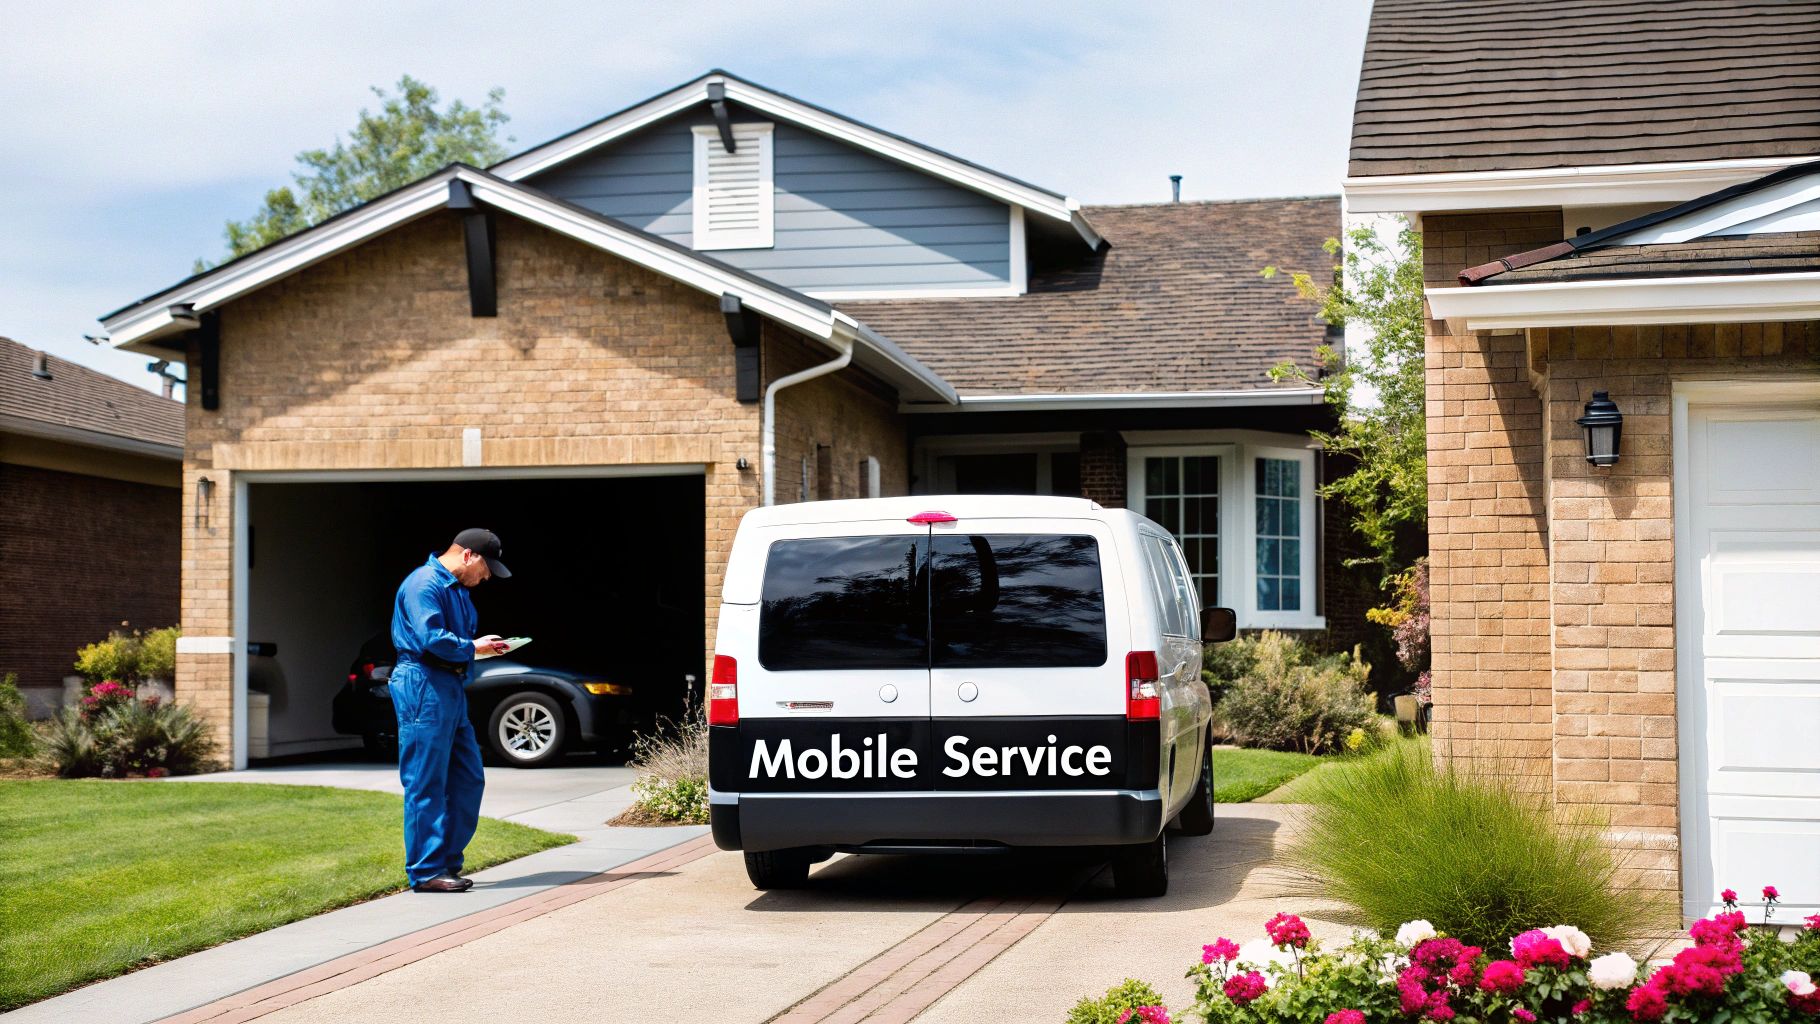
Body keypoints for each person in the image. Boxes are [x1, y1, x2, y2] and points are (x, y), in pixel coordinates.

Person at [389, 528, 512, 893]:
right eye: (487, 568)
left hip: (449, 686)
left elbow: (458, 644)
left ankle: (446, 862)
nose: (487, 576)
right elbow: (431, 638)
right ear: (469, 556)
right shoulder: (424, 583)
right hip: (423, 683)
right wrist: (474, 648)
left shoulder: (456, 590)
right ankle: (426, 872)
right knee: (425, 781)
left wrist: (479, 647)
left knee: (469, 777)